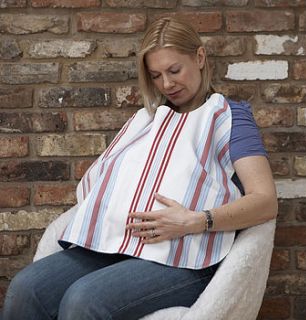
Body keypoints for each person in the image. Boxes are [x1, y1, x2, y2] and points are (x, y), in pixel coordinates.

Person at [3, 17, 278, 320]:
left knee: (84, 300)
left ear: (199, 58)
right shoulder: (145, 120)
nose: (167, 84)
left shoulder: (230, 117)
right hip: (113, 245)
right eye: (156, 75)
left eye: (175, 70)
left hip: (183, 257)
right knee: (26, 288)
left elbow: (265, 201)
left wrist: (196, 221)